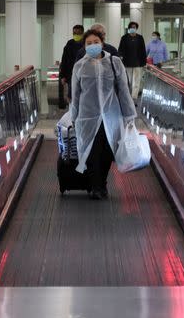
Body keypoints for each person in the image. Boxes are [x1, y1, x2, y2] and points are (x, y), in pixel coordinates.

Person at [70, 29, 136, 200]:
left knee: (107, 151)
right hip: (87, 117)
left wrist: (129, 116)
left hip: (111, 116)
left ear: (102, 43)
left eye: (95, 42)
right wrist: (74, 116)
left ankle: (102, 183)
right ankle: (95, 186)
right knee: (91, 151)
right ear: (84, 47)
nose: (92, 46)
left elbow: (123, 91)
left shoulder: (114, 63)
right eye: (88, 43)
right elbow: (75, 94)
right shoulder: (79, 66)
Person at [117, 21, 147, 99]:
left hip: (138, 63)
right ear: (129, 28)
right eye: (131, 27)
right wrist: (120, 56)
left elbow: (143, 50)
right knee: (128, 81)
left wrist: (144, 62)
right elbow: (120, 49)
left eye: (134, 27)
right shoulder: (124, 37)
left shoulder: (140, 38)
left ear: (136, 28)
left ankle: (134, 97)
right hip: (127, 62)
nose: (132, 29)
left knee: (136, 82)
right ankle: (128, 96)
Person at [58, 24, 84, 106]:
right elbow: (64, 60)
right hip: (71, 74)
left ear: (82, 33)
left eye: (78, 33)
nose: (76, 35)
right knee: (71, 94)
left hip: (83, 74)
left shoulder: (86, 44)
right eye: (74, 33)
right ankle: (72, 112)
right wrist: (62, 76)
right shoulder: (69, 44)